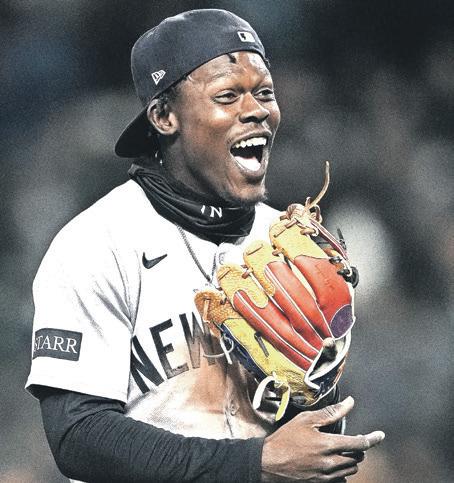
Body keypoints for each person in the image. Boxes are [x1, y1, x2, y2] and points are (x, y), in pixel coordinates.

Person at [26, 9, 384, 483]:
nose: (256, 110)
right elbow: (77, 436)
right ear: (163, 116)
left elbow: (312, 444)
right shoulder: (95, 244)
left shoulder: (290, 245)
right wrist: (252, 463)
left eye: (264, 93)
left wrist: (319, 391)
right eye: (228, 96)